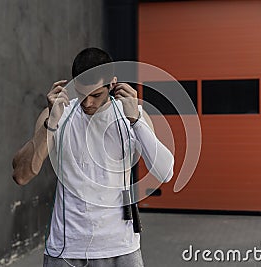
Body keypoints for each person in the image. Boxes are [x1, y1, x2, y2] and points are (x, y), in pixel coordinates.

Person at [12, 47, 174, 267]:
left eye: (96, 95)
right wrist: (51, 123)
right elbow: (22, 175)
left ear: (113, 84)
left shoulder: (132, 116)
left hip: (122, 247)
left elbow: (165, 173)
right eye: (81, 94)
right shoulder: (58, 114)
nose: (87, 103)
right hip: (67, 249)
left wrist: (136, 120)